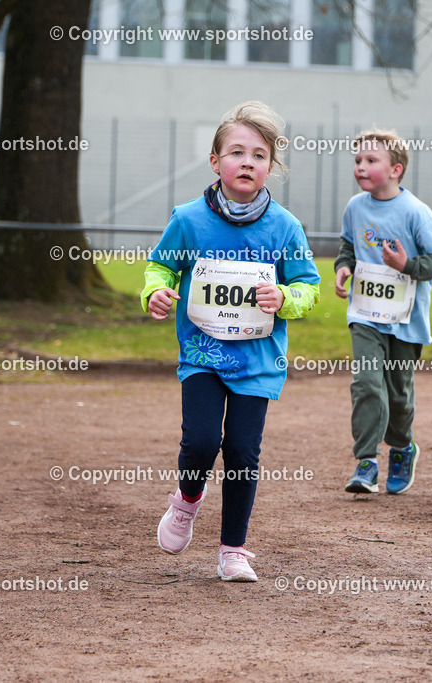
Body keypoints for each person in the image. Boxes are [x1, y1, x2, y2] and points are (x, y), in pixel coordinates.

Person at [143, 101, 320, 582]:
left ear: (271, 167)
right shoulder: (188, 219)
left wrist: (284, 297)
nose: (247, 162)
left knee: (242, 453)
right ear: (215, 161)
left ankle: (233, 550)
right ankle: (186, 501)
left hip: (258, 361)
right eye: (236, 152)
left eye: (259, 155)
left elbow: (309, 287)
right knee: (201, 441)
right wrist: (155, 292)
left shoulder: (285, 227)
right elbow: (160, 266)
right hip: (202, 354)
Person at [334, 128, 432, 495]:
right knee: (367, 384)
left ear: (395, 169)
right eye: (357, 160)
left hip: (406, 321)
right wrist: (344, 266)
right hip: (365, 315)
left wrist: (407, 266)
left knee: (398, 395)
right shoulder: (355, 207)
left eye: (371, 160)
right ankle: (366, 462)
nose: (360, 166)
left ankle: (402, 448)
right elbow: (348, 245)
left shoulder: (416, 212)